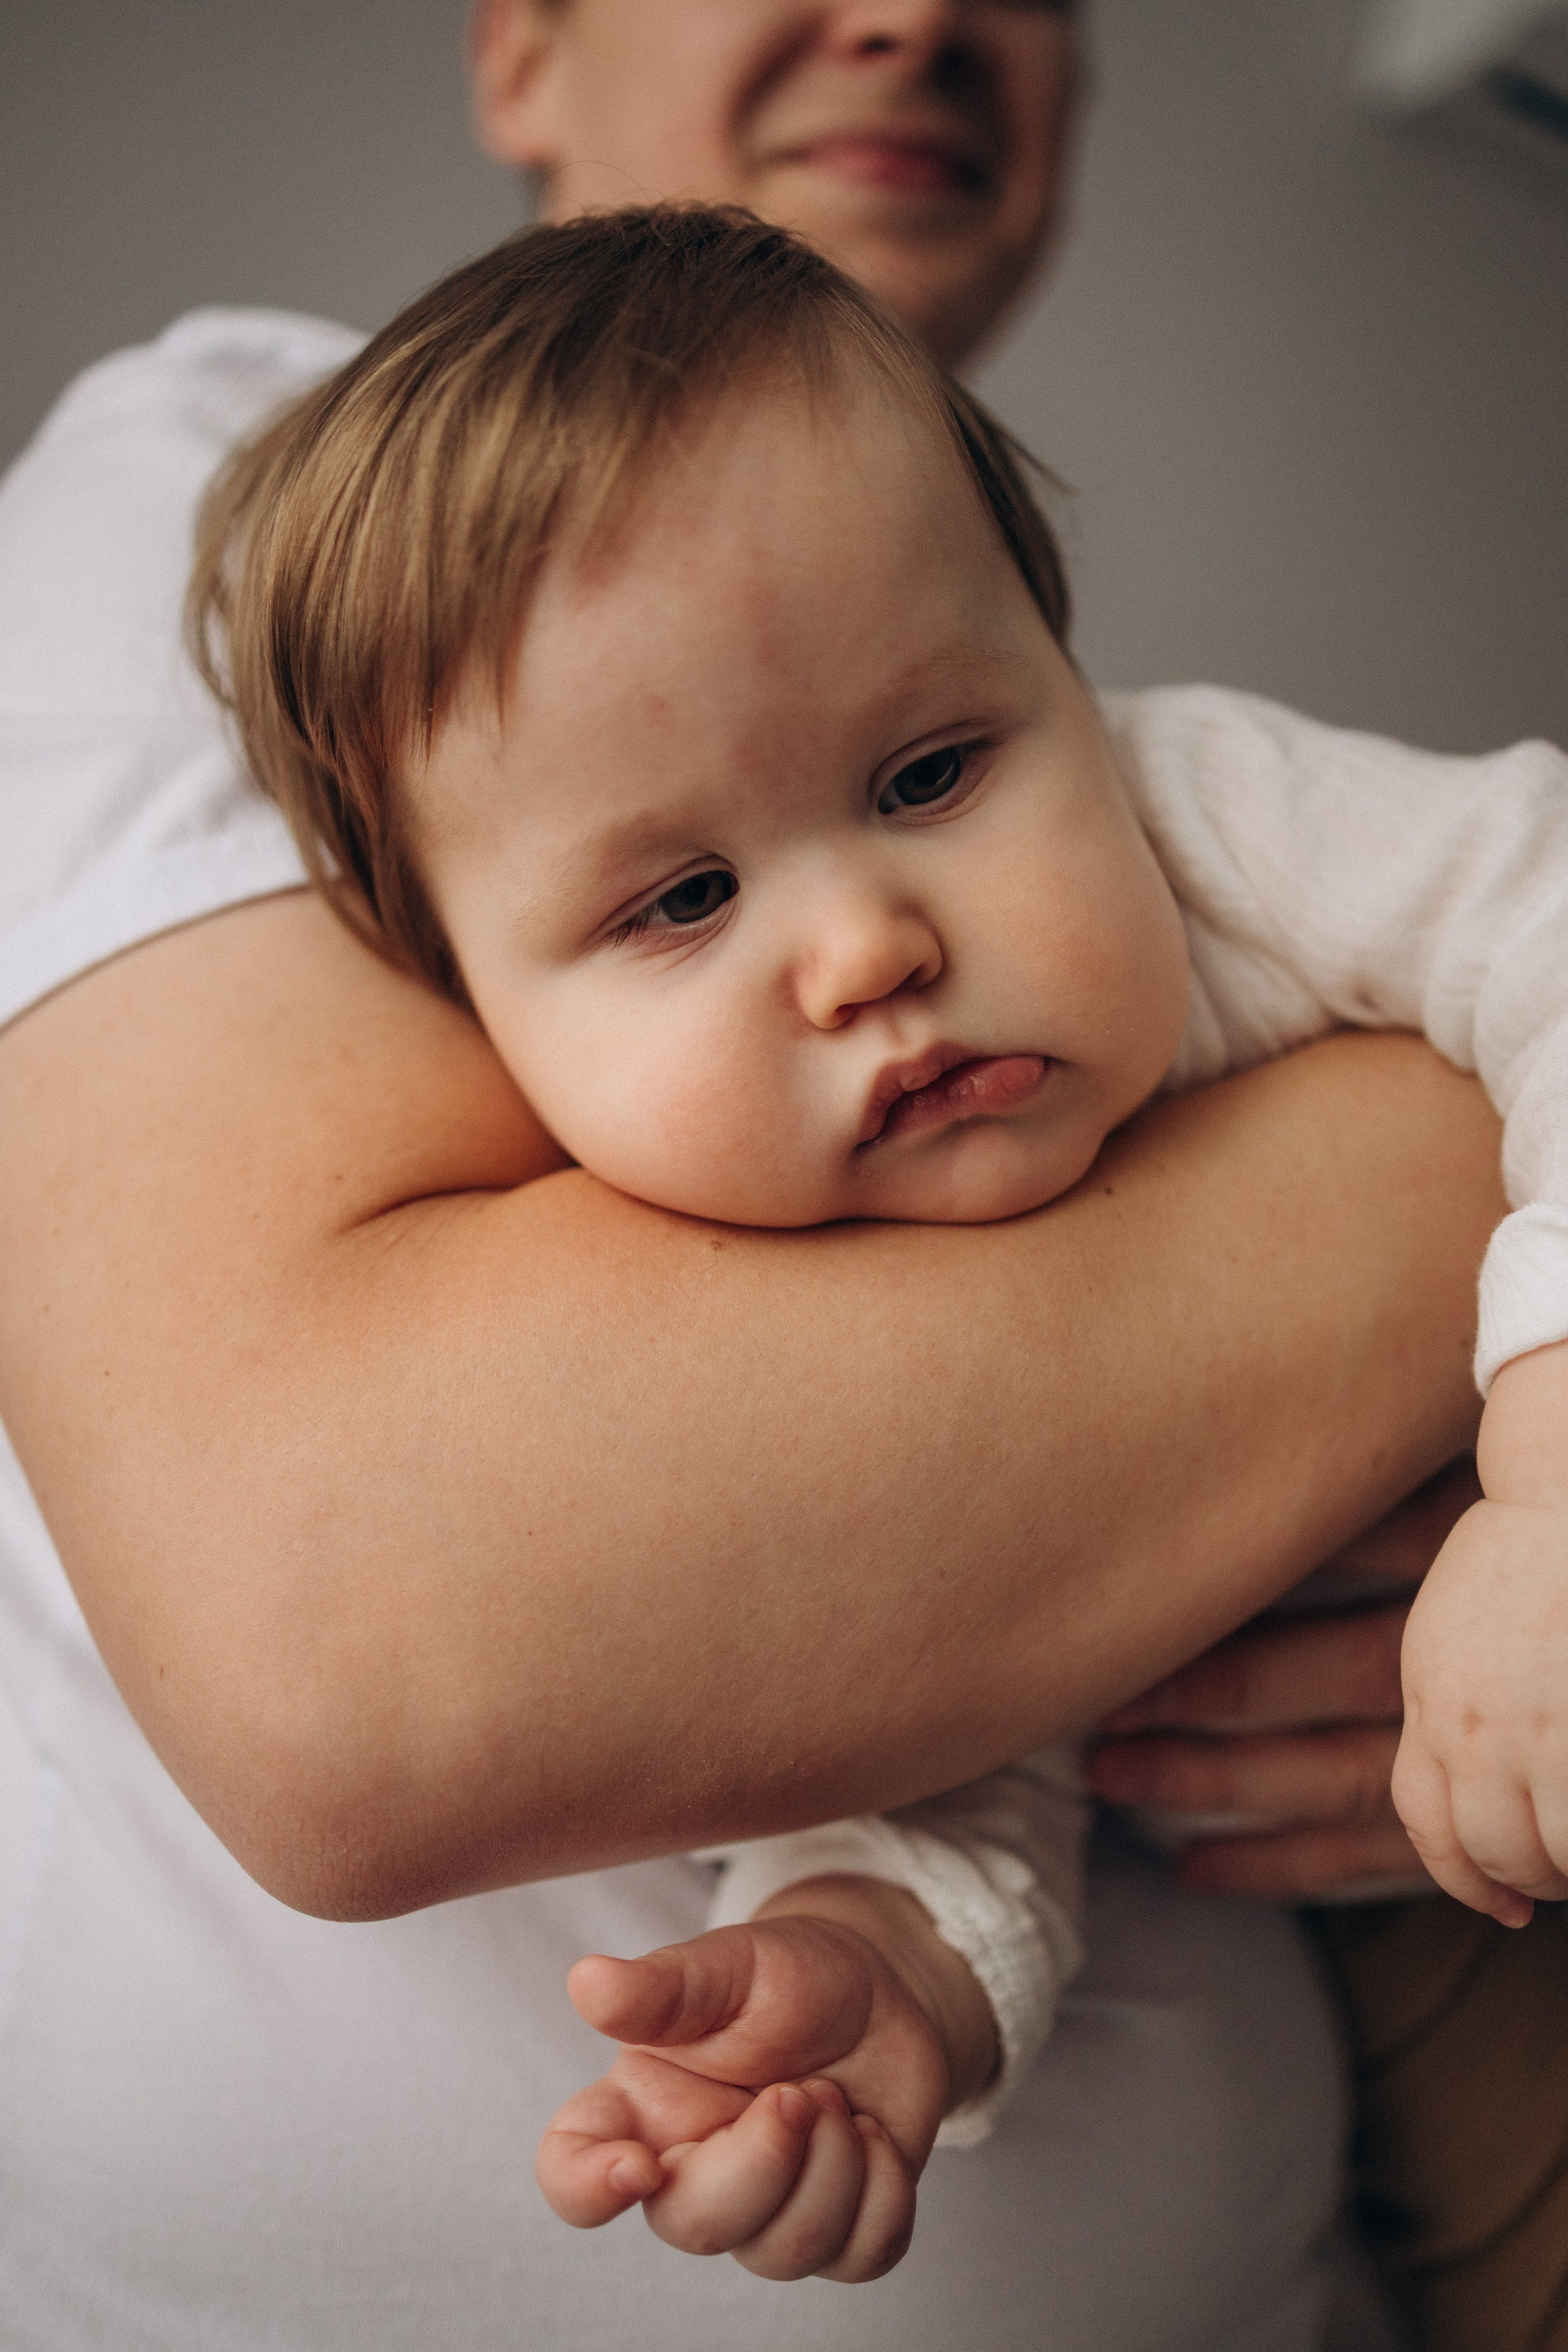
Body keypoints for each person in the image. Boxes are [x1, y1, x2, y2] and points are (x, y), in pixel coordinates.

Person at [0, 7, 1523, 2349]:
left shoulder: (1190, 830)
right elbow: (884, 1724)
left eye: (931, 769)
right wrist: (880, 1972)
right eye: (679, 903)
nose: (858, 941)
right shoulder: (242, 505)